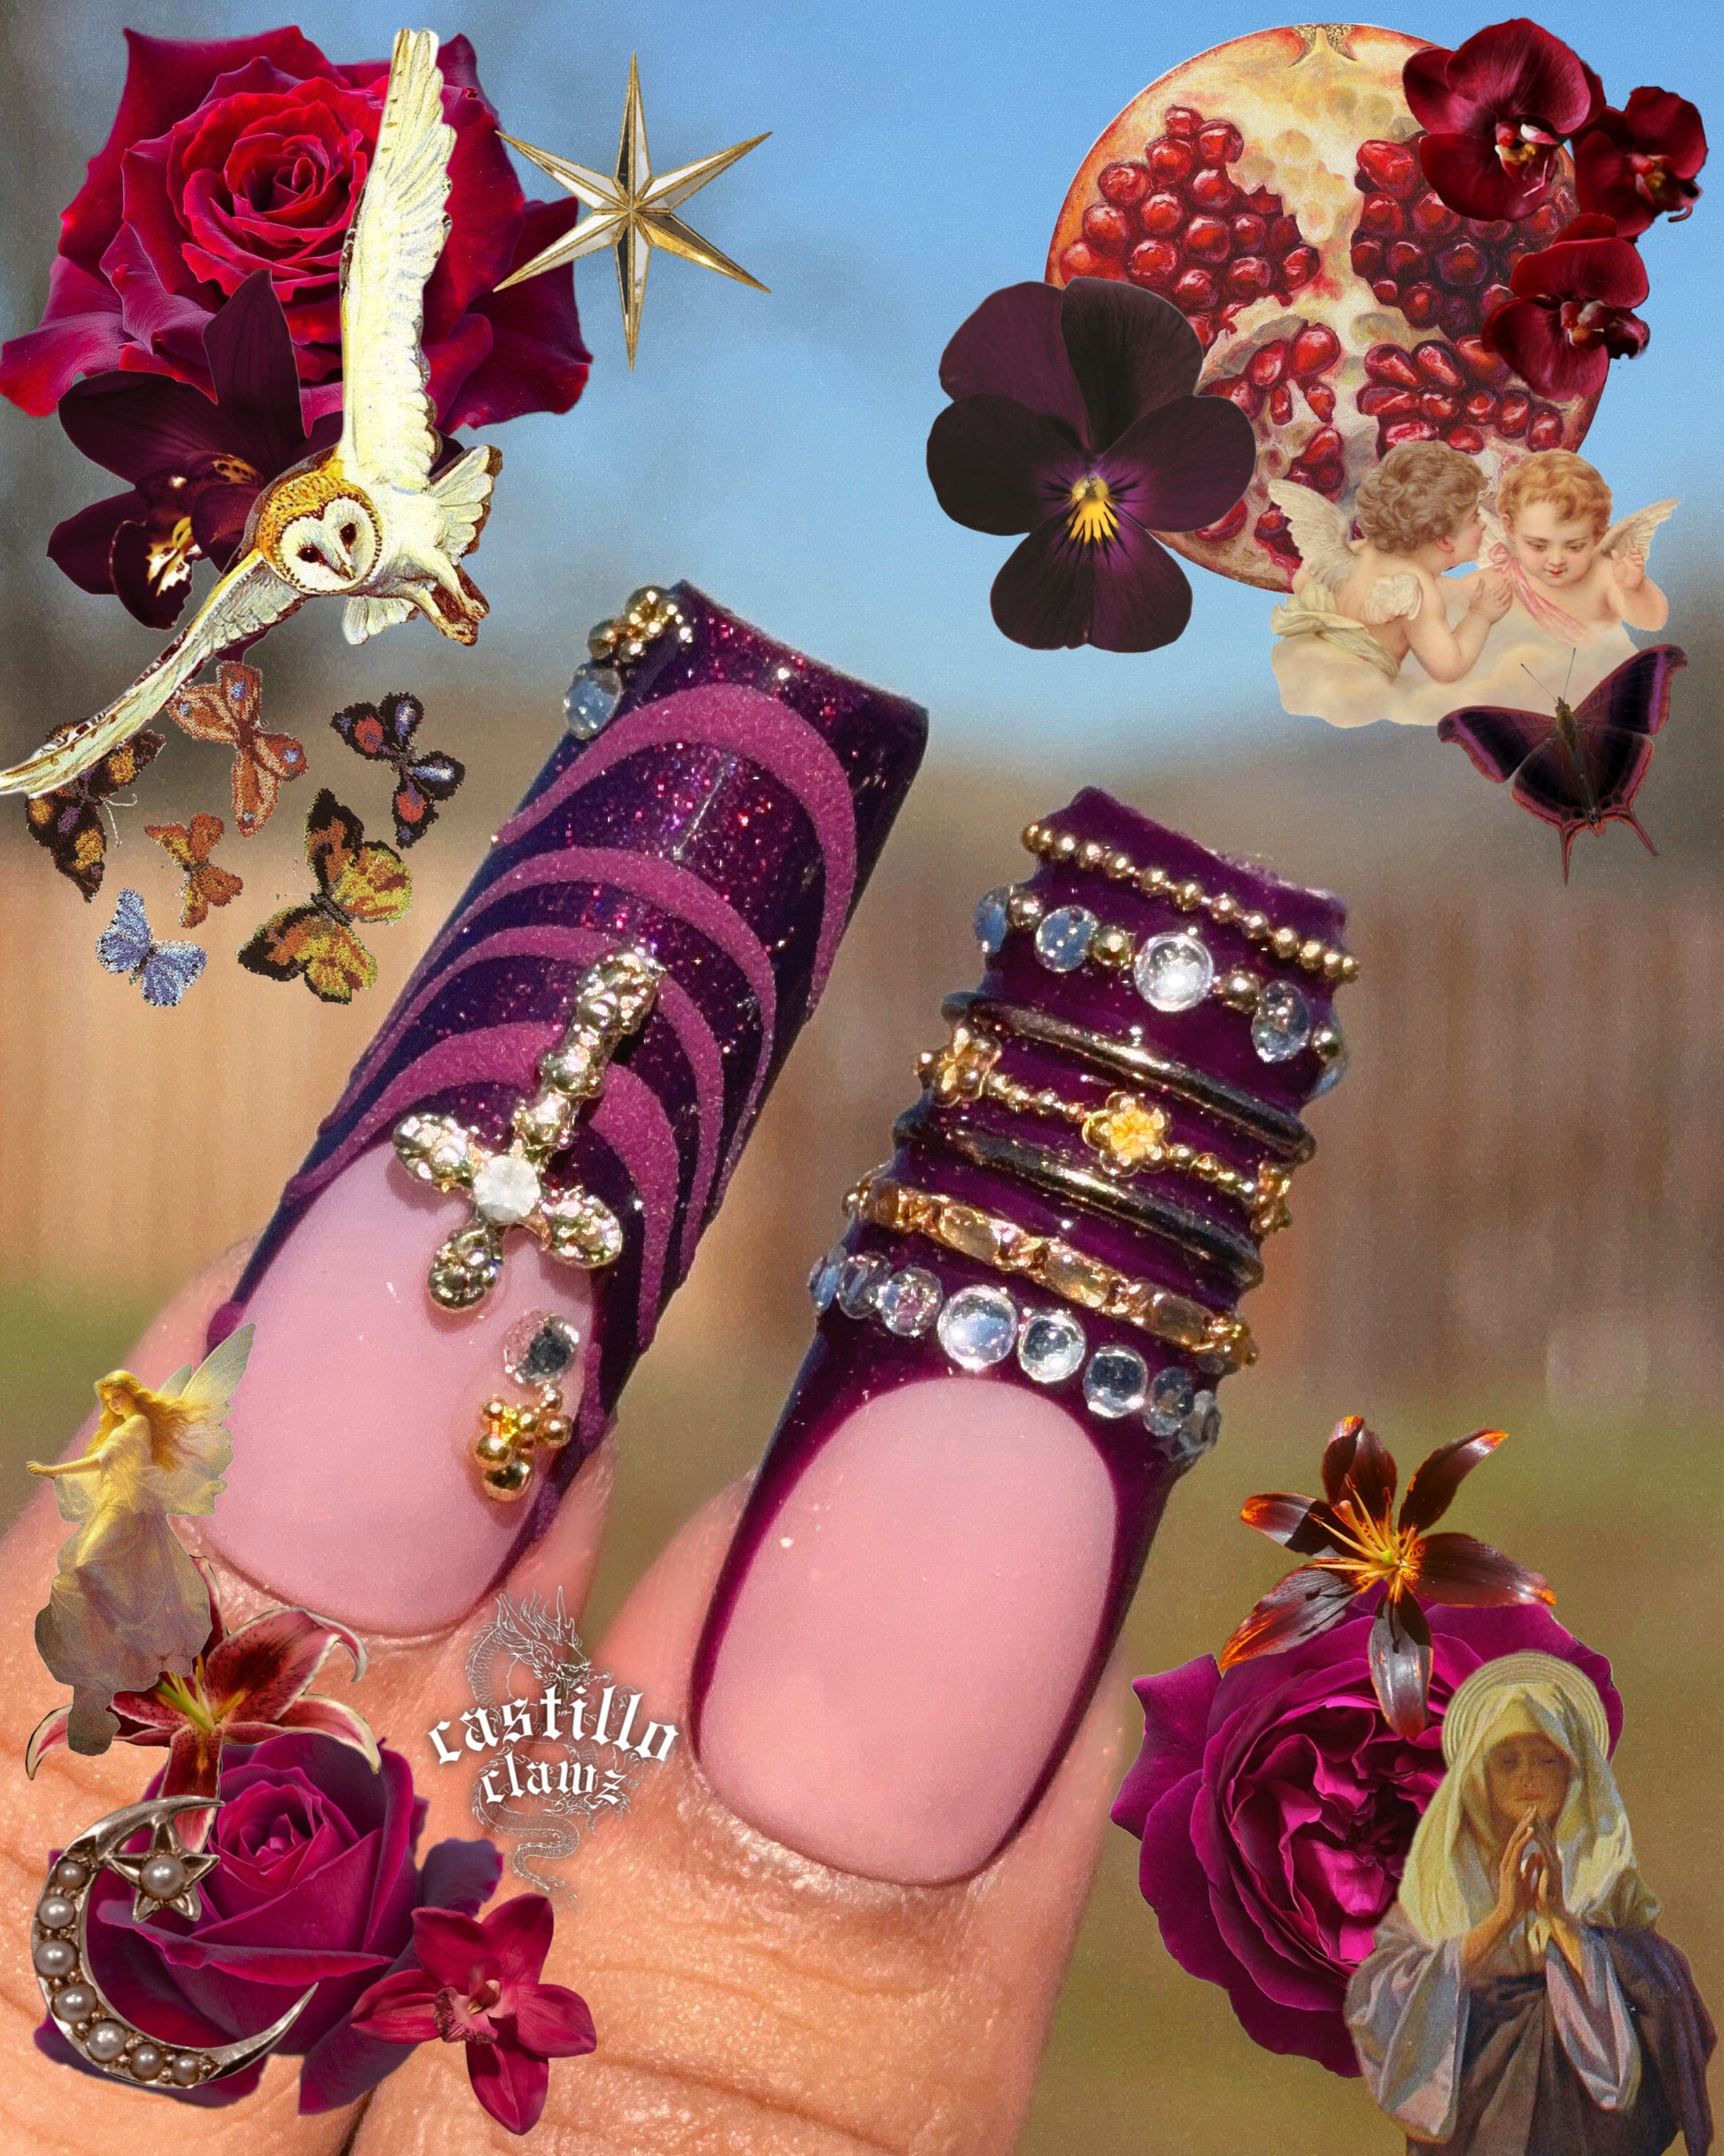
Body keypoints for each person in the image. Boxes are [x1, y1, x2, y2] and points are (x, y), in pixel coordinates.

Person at [1347, 1652, 1713, 2154]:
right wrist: (1501, 1918)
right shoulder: (1439, 1886)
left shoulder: (1608, 1879)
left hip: (1586, 2121)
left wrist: (1564, 1923)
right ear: (1479, 1775)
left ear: (1575, 1772)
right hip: (1474, 2108)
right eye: (1508, 1761)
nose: (1529, 1777)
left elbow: (1667, 1993)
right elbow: (1380, 1995)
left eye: (1547, 1760)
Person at [1270, 443, 1512, 728]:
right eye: (1474, 518)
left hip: (1307, 671)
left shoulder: (1357, 549)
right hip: (1359, 699)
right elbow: (1449, 667)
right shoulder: (1417, 588)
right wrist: (1480, 616)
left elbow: (1302, 582)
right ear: (1445, 540)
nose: (1483, 525)